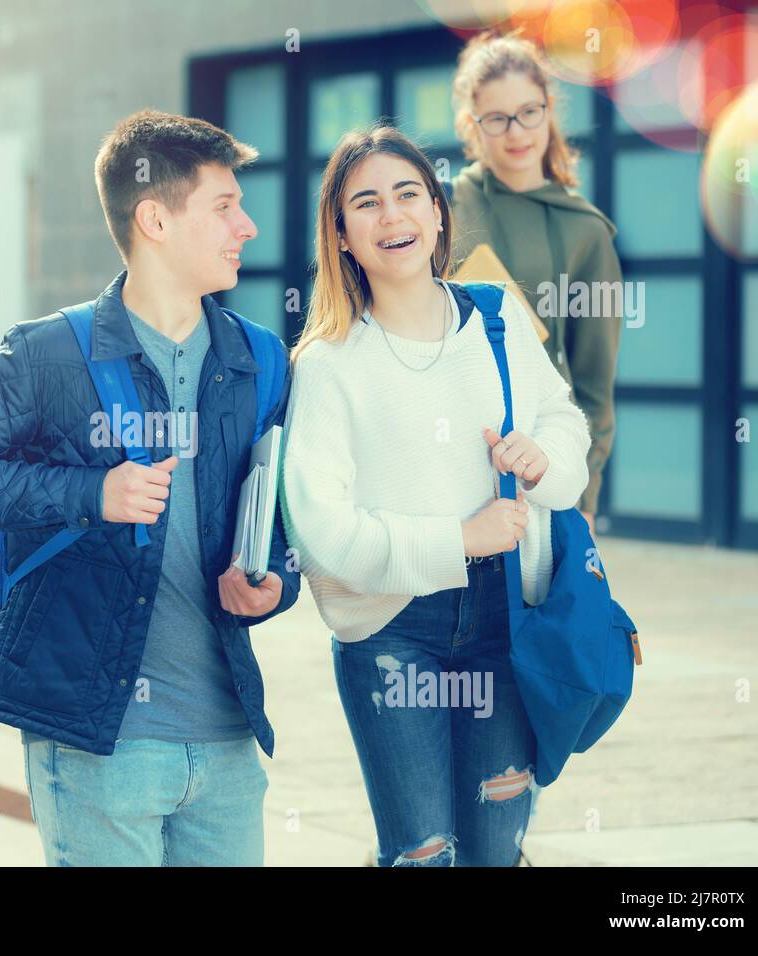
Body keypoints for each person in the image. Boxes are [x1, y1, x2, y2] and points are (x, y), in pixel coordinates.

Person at [0, 109, 300, 866]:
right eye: (224, 207)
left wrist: (276, 582)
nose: (246, 226)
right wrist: (92, 495)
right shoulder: (48, 353)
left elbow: (282, 522)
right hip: (95, 742)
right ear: (154, 217)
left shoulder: (261, 360)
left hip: (226, 743)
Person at [281, 125, 591, 866]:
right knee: (423, 853)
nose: (392, 217)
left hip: (507, 620)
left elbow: (566, 426)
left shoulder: (495, 317)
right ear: (343, 235)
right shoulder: (326, 363)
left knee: (494, 851)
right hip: (393, 632)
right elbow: (322, 533)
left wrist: (543, 456)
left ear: (438, 213)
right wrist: (460, 539)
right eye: (366, 204)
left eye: (407, 195)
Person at [449, 28, 622, 533]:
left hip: (542, 462)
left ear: (549, 109)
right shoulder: (438, 208)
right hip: (451, 448)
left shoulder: (589, 233)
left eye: (529, 112)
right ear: (471, 124)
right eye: (497, 119)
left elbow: (595, 386)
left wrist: (585, 498)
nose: (517, 132)